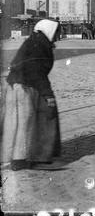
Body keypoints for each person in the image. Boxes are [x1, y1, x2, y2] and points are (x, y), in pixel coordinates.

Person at [2, 20, 62, 171]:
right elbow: (36, 71)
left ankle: (37, 155)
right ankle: (20, 159)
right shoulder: (38, 45)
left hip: (26, 85)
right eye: (56, 32)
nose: (58, 36)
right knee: (24, 122)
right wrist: (48, 94)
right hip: (22, 86)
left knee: (30, 119)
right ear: (49, 31)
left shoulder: (39, 42)